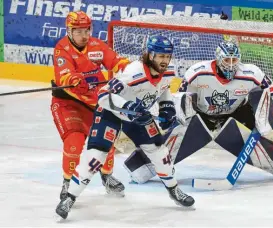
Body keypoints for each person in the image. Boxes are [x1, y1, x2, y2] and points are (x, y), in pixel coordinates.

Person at [123, 39, 273, 184]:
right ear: (218, 59)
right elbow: (183, 98)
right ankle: (139, 169)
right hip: (201, 118)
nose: (231, 64)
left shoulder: (251, 73)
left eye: (235, 60)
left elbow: (269, 91)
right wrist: (181, 121)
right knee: (173, 142)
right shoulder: (198, 72)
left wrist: (262, 109)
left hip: (233, 117)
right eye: (227, 60)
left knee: (255, 147)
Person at [55, 35, 194, 220]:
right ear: (150, 55)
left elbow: (163, 90)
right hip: (110, 113)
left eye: (167, 56)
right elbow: (104, 96)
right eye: (160, 56)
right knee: (96, 156)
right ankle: (69, 198)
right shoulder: (133, 72)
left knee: (159, 151)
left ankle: (174, 190)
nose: (164, 61)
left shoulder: (167, 72)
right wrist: (128, 107)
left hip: (136, 117)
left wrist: (166, 107)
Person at [51, 11, 129, 200]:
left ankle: (107, 176)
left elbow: (116, 61)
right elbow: (65, 76)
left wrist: (127, 68)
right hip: (68, 103)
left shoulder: (96, 45)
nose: (84, 35)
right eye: (78, 31)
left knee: (108, 141)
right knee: (74, 142)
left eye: (87, 30)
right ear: (69, 31)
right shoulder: (62, 49)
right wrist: (75, 79)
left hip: (95, 103)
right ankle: (67, 183)